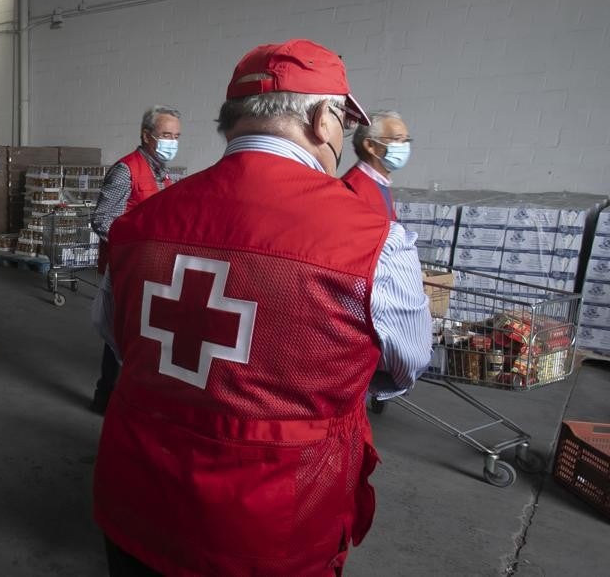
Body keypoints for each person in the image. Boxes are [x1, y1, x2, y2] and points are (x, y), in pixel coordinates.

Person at [94, 39, 431, 576]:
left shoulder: (140, 223)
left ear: (232, 121)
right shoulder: (374, 242)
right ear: (324, 119)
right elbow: (403, 367)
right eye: (344, 121)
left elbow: (115, 334)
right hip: (273, 526)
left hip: (139, 497)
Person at [89, 105, 182, 414]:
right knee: (117, 333)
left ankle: (127, 393)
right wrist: (136, 249)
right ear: (146, 135)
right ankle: (105, 397)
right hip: (124, 268)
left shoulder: (163, 174)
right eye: (166, 135)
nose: (173, 141)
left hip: (150, 268)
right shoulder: (125, 171)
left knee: (138, 333)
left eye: (177, 135)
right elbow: (102, 220)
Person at [343, 110, 410, 220]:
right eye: (397, 139)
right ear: (370, 145)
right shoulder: (352, 188)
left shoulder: (381, 183)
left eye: (406, 140)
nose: (404, 146)